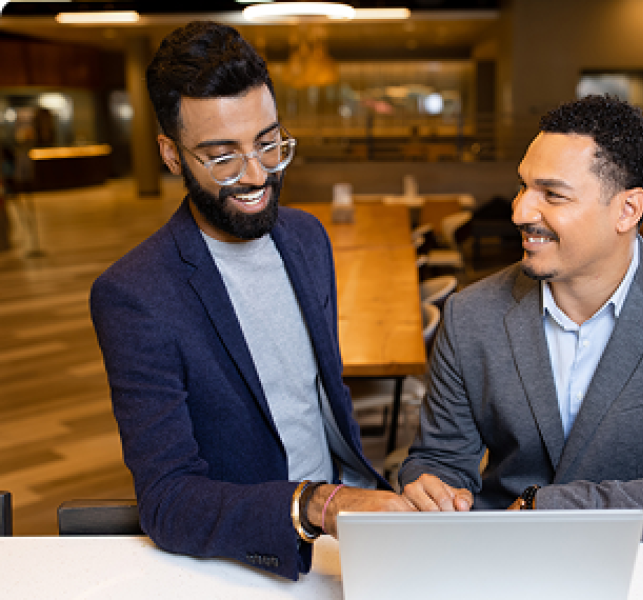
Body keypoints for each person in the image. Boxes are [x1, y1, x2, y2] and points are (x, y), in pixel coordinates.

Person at [90, 21, 412, 581]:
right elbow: (167, 499)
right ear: (171, 154)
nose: (256, 174)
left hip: (355, 526)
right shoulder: (134, 295)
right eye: (222, 157)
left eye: (268, 143)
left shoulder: (308, 237)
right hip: (255, 553)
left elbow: (321, 400)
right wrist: (317, 505)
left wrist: (364, 496)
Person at [399, 95, 643, 547]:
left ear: (627, 210)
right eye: (523, 187)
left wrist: (547, 508)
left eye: (552, 194)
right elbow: (439, 458)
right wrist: (430, 486)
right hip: (505, 561)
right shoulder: (471, 313)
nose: (519, 212)